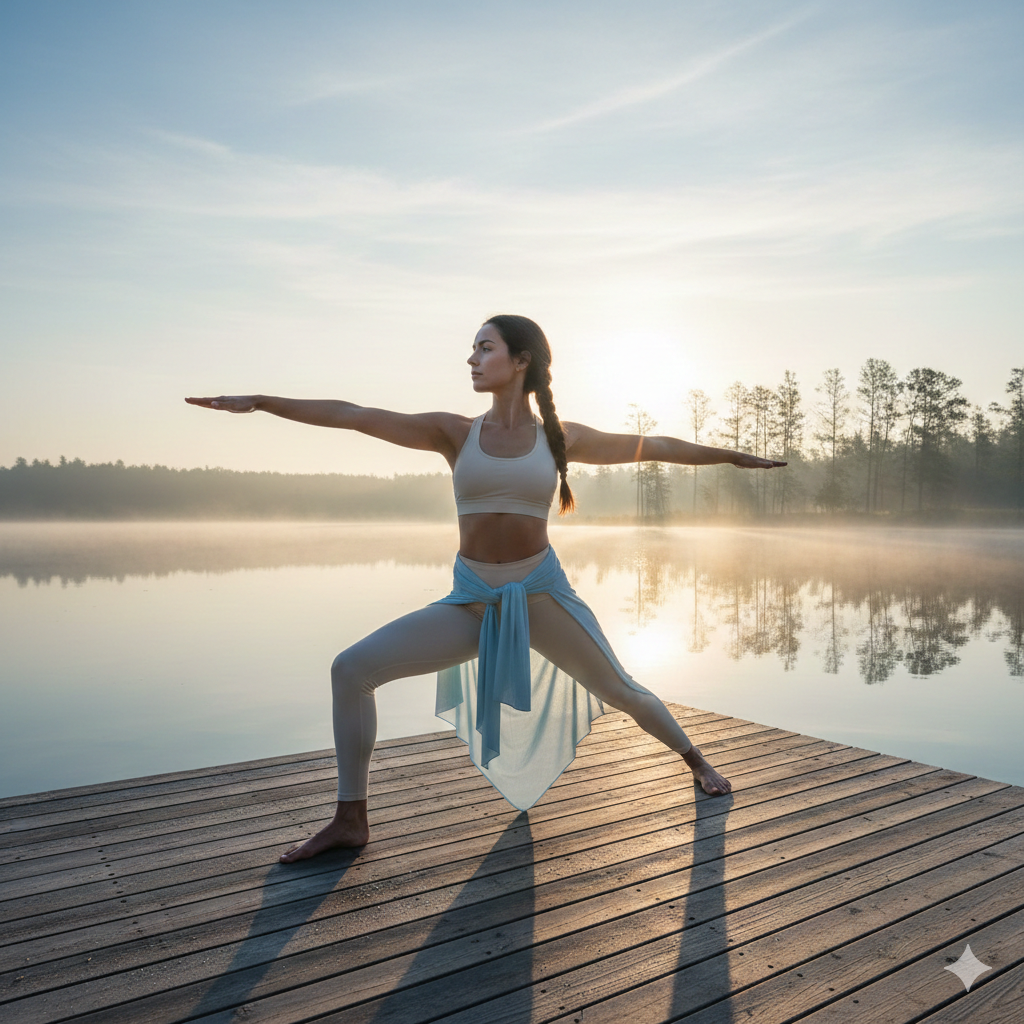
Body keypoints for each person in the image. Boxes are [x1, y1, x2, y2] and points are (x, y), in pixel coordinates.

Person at [186, 314, 785, 862]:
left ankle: (695, 761)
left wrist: (733, 457)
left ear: (520, 360)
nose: (472, 359)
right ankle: (350, 819)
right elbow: (353, 413)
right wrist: (261, 402)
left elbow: (654, 447)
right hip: (471, 601)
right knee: (351, 669)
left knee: (621, 689)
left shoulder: (561, 437)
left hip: (542, 597)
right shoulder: (453, 432)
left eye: (484, 348)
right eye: (472, 349)